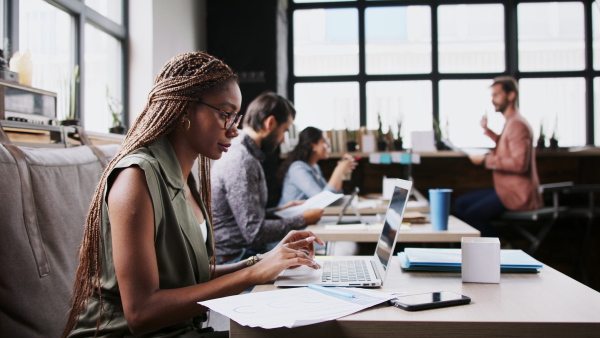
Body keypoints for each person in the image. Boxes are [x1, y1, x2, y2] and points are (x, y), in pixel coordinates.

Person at [61, 52, 324, 338]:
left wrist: (263, 260)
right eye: (225, 114)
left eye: (235, 117)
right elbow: (140, 313)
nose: (234, 130)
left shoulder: (185, 176)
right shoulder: (136, 179)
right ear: (184, 109)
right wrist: (252, 275)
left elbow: (191, 276)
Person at [211, 92, 324, 264]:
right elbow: (254, 232)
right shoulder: (242, 160)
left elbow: (245, 216)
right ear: (270, 123)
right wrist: (304, 219)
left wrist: (281, 210)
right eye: (284, 130)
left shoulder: (244, 151)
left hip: (242, 253)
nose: (284, 139)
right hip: (236, 259)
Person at [454, 76, 543, 237]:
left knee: (472, 214)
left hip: (516, 194)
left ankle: (497, 250)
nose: (493, 100)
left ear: (511, 95)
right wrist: (488, 131)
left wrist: (486, 160)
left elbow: (520, 164)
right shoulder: (511, 122)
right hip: (505, 189)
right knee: (460, 204)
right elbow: (507, 145)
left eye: (496, 95)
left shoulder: (517, 125)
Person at [277, 126, 357, 206]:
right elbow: (321, 200)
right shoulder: (297, 169)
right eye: (324, 142)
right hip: (290, 216)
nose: (329, 145)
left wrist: (341, 173)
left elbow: (334, 195)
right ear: (313, 145)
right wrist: (338, 171)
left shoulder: (315, 167)